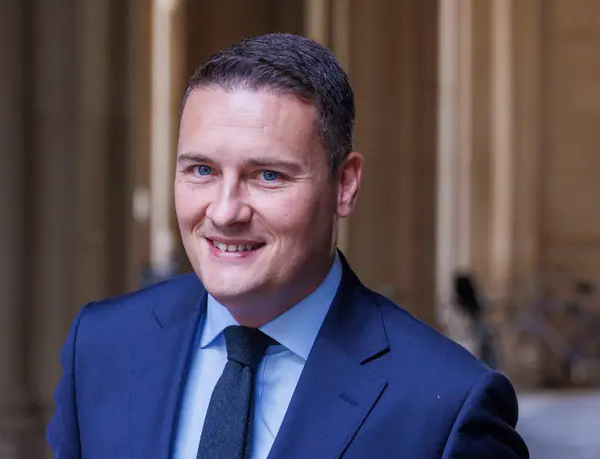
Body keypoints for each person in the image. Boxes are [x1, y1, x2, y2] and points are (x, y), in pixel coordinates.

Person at [47, 33, 529, 458]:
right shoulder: (102, 345)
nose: (224, 211)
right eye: (202, 171)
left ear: (344, 184)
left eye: (268, 175)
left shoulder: (445, 404)